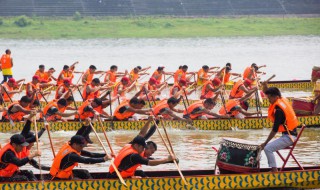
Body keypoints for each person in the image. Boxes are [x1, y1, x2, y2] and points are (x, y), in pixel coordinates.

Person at [259, 87, 299, 172]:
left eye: (269, 98)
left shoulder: (279, 111)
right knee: (268, 147)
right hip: (289, 135)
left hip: (289, 137)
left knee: (267, 148)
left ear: (276, 97)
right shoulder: (282, 100)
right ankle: (274, 169)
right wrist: (265, 86)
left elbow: (275, 130)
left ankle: (274, 171)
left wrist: (265, 143)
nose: (268, 100)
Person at [107, 135, 175, 179]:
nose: (143, 150)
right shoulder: (134, 156)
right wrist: (166, 159)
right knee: (140, 175)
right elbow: (150, 163)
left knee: (140, 172)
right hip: (116, 177)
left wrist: (170, 161)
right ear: (136, 145)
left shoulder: (129, 145)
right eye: (142, 148)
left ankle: (147, 181)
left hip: (115, 173)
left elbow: (144, 133)